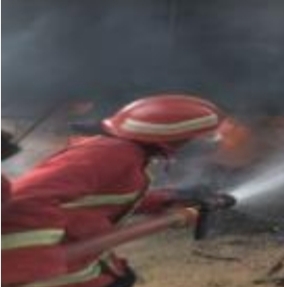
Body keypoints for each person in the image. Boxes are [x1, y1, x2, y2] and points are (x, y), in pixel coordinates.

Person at [2, 94, 227, 287]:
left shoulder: (130, 154)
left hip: (81, 258)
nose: (213, 144)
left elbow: (103, 198)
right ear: (177, 138)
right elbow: (26, 196)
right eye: (205, 138)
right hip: (52, 273)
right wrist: (30, 262)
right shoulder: (111, 154)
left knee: (121, 279)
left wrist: (169, 198)